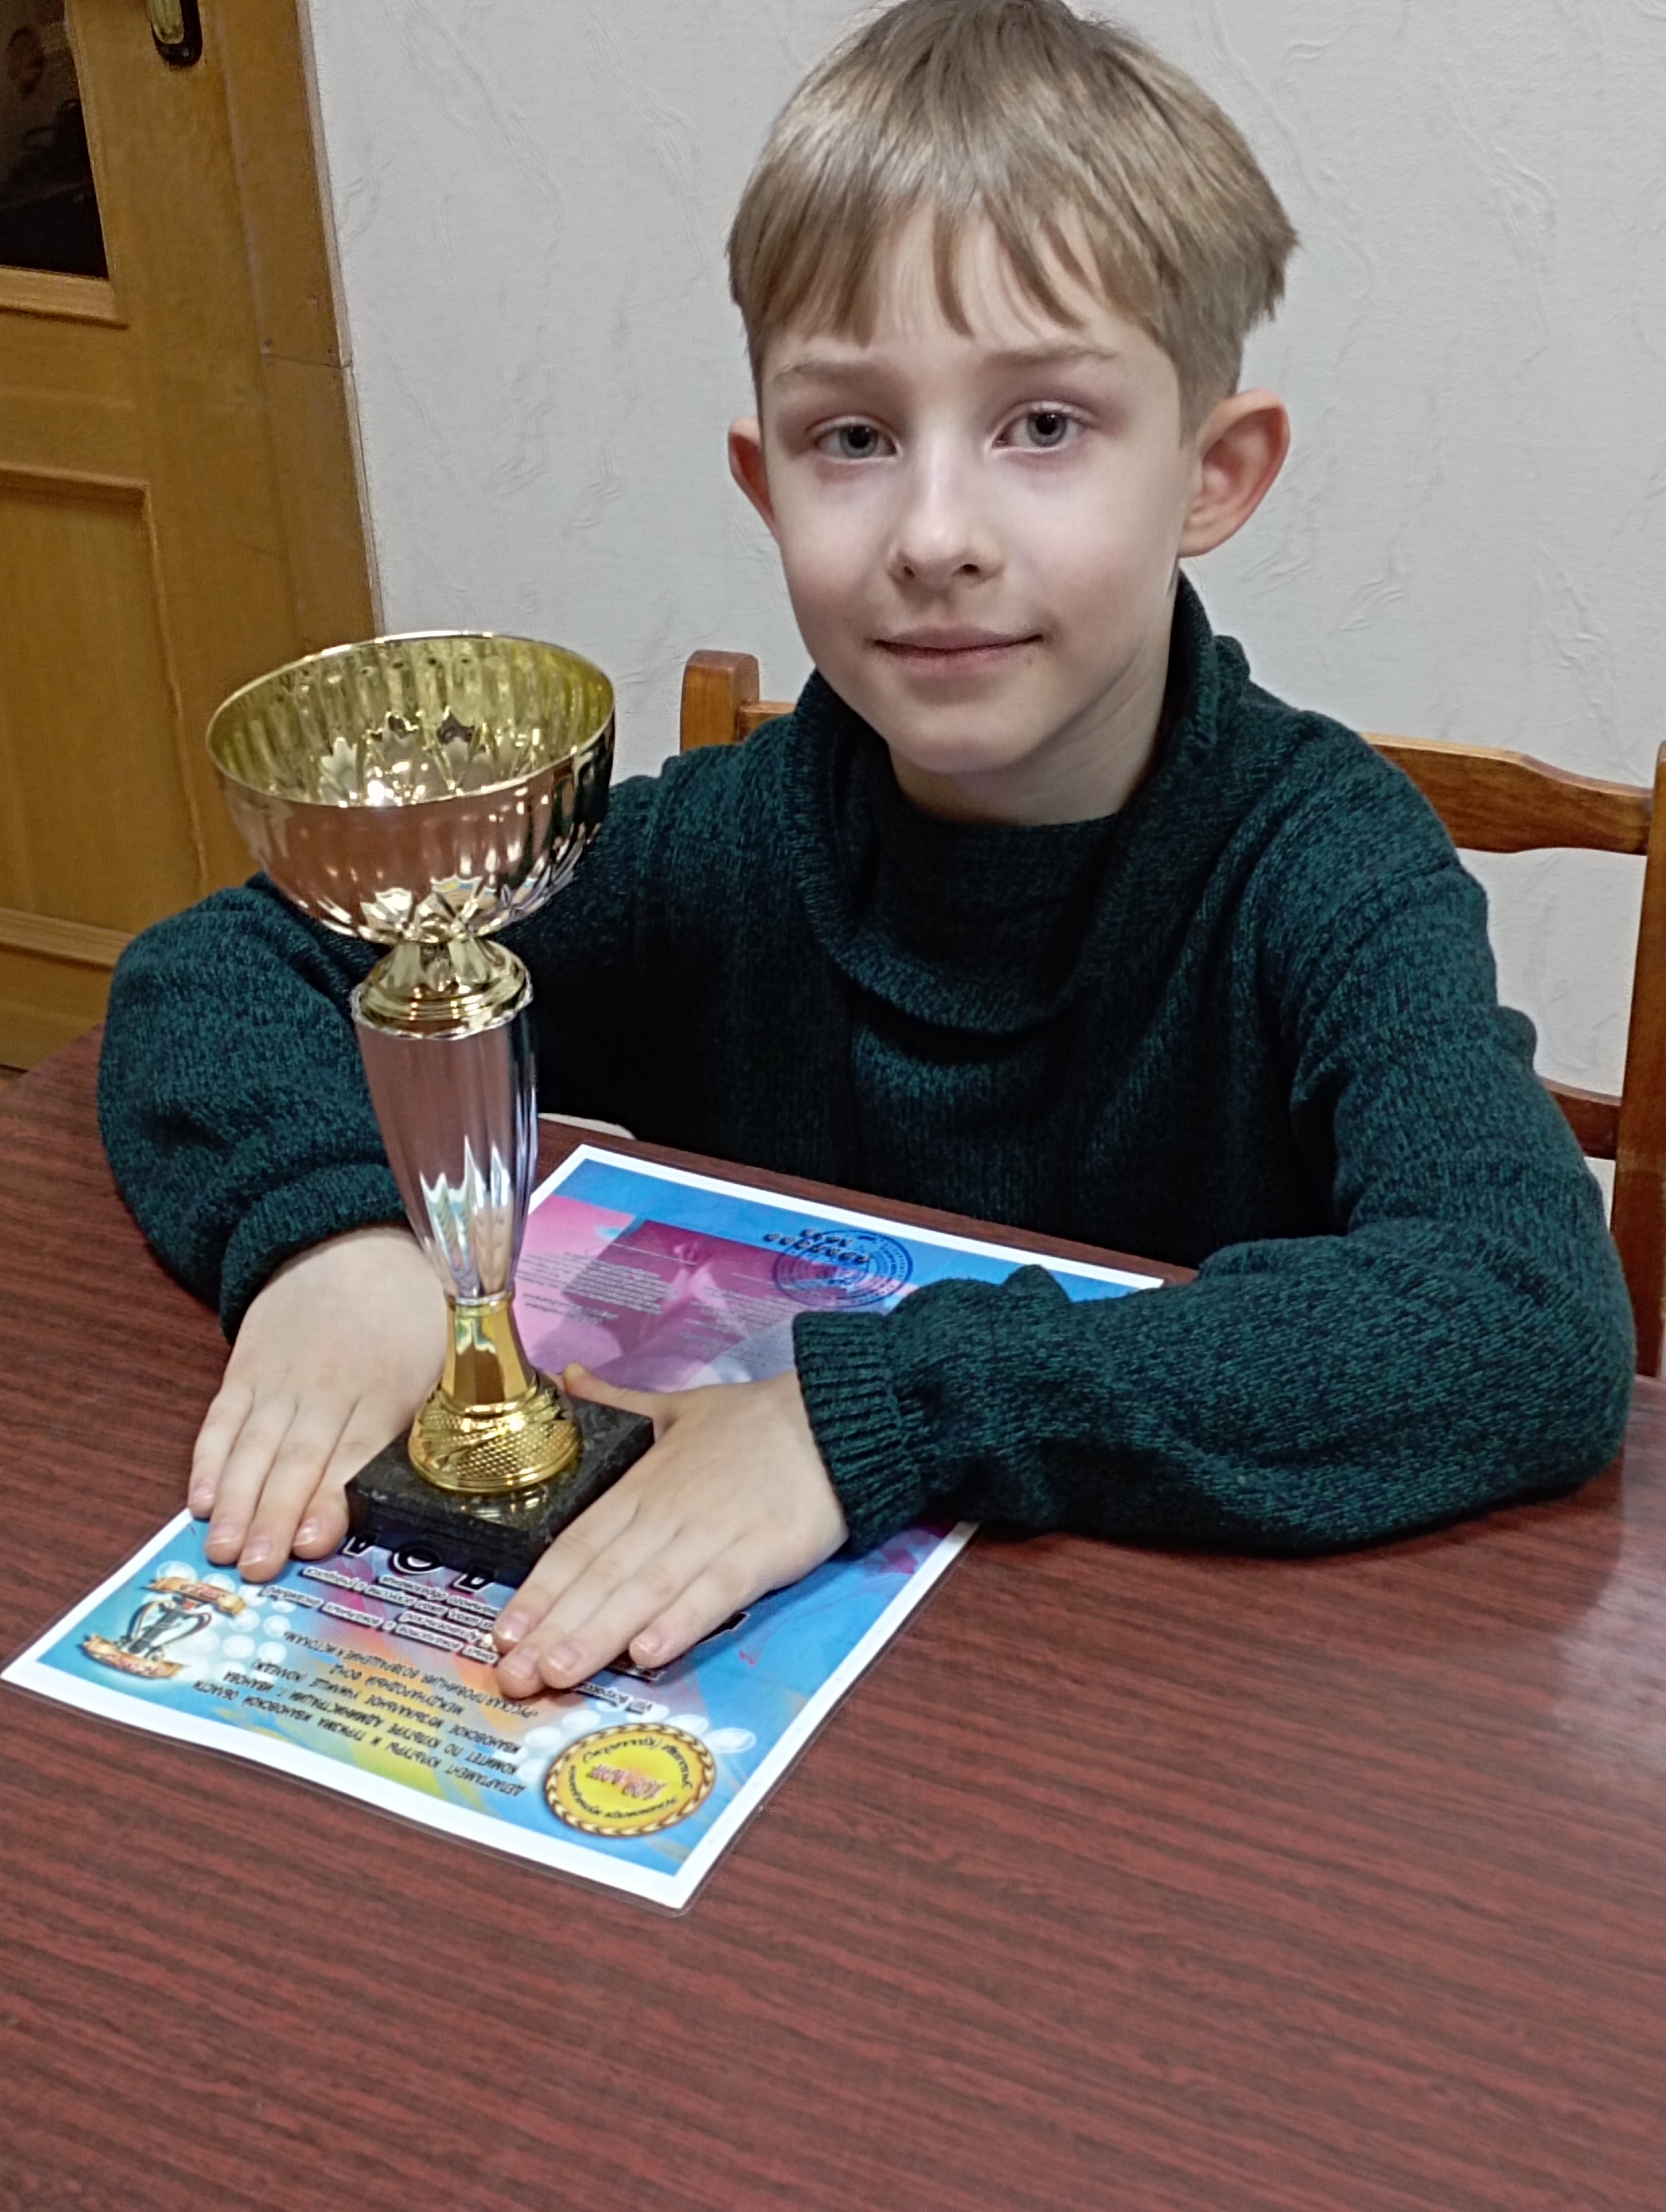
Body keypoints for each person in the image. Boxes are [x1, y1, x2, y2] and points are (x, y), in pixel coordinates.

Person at [98, 0, 1633, 1702]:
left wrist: (863, 1418)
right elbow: (217, 970)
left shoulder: (1329, 868)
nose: (935, 535)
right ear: (765, 484)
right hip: (782, 1734)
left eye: (1043, 425)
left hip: (1171, 1717)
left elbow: (1526, 1318)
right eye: (854, 437)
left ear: (1214, 472)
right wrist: (332, 1244)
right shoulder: (719, 847)